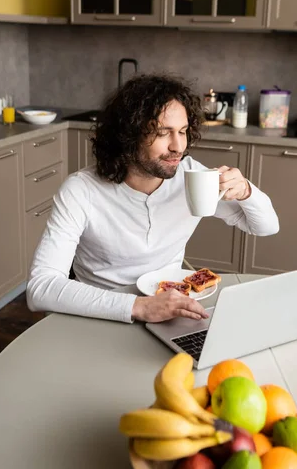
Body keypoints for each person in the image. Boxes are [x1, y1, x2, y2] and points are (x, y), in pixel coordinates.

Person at [27, 74, 279, 324]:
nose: (178, 146)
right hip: (100, 314)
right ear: (128, 136)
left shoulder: (192, 177)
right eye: (163, 133)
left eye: (182, 131)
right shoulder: (81, 190)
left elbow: (266, 227)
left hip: (170, 311)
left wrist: (247, 191)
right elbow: (40, 288)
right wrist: (139, 307)